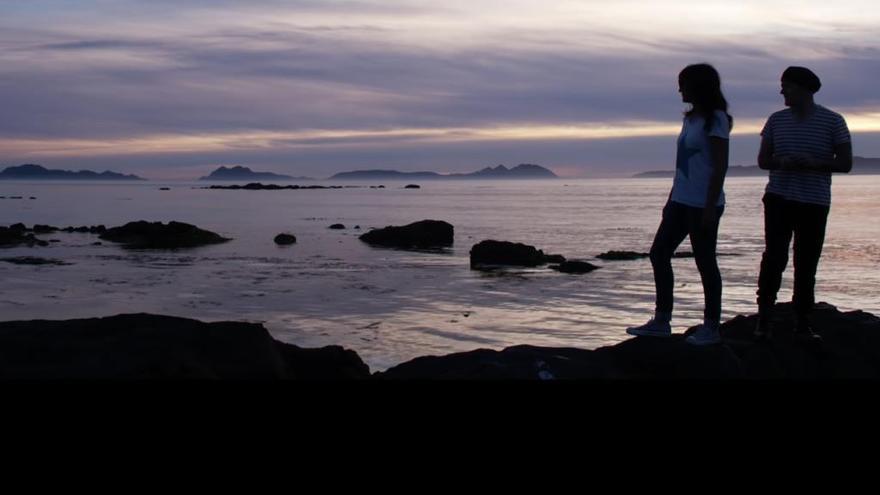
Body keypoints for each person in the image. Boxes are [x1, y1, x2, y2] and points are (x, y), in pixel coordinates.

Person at [626, 63, 731, 345]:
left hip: (702, 203)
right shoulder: (690, 119)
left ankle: (711, 326)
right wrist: (671, 197)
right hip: (680, 201)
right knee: (659, 253)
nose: (679, 89)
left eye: (683, 83)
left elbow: (720, 165)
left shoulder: (716, 119)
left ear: (697, 86)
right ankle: (662, 320)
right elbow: (682, 164)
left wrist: (710, 205)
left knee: (705, 262)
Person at [754, 66, 852, 341]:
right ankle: (764, 318)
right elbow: (763, 161)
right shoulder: (776, 120)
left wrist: (815, 163)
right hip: (779, 198)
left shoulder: (833, 121)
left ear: (804, 89)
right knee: (774, 258)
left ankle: (802, 321)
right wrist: (781, 162)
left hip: (814, 202)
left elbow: (845, 163)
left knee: (806, 262)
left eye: (787, 85)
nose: (782, 90)